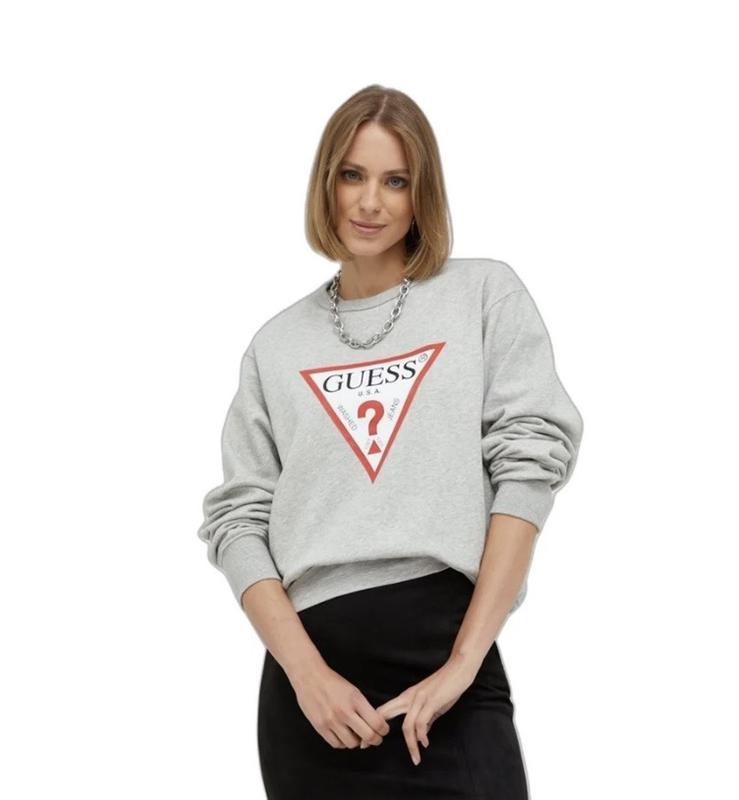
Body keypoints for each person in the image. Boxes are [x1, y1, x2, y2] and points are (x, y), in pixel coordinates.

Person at [197, 84, 584, 799]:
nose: (370, 202)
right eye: (353, 175)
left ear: (422, 193)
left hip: (446, 659)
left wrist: (463, 663)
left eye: (395, 181)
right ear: (326, 183)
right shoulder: (276, 346)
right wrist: (306, 677)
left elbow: (529, 464)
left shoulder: (483, 295)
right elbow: (238, 520)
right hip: (314, 698)